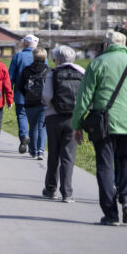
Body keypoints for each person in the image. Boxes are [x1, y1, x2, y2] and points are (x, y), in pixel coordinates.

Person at [71, 30, 127, 226]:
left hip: (105, 123)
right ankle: (126, 201)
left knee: (105, 166)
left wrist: (77, 125)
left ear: (105, 45)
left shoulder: (98, 63)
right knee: (125, 164)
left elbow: (83, 98)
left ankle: (111, 214)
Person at [42, 45, 84, 202]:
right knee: (68, 156)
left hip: (54, 117)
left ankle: (51, 189)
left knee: (53, 154)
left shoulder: (53, 73)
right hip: (73, 119)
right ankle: (67, 193)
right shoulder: (81, 72)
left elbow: (47, 95)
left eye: (54, 59)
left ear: (58, 59)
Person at [16, 48, 50, 160]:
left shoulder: (26, 70)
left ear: (34, 57)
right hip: (44, 102)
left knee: (33, 127)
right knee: (42, 127)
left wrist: (27, 95)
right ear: (44, 57)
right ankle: (41, 151)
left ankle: (33, 150)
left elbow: (20, 86)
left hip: (30, 102)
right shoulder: (48, 71)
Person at [8, 34, 39, 154]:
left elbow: (11, 75)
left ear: (25, 43)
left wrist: (9, 90)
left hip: (21, 93)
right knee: (35, 120)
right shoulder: (41, 56)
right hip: (37, 94)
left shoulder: (18, 56)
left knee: (21, 115)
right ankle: (35, 147)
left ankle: (24, 135)